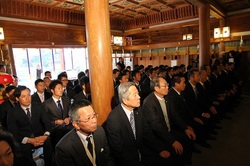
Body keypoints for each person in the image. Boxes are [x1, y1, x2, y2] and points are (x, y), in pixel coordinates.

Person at [105, 82, 178, 166]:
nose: (139, 97)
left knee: (170, 158)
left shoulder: (138, 110)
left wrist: (160, 149)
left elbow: (147, 132)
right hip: (127, 159)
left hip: (142, 151)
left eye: (138, 94)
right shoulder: (113, 119)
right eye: (135, 95)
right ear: (125, 100)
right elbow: (119, 150)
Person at [142, 76, 193, 165]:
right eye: (164, 86)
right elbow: (156, 127)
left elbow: (174, 114)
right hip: (158, 136)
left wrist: (185, 128)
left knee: (187, 139)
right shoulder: (149, 103)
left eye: (167, 85)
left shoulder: (167, 97)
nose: (167, 87)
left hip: (169, 130)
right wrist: (172, 141)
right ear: (156, 88)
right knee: (173, 153)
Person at [55, 99, 114, 166]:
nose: (94, 121)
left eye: (94, 116)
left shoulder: (99, 131)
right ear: (76, 125)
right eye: (88, 119)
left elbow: (108, 158)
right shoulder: (64, 147)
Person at [7, 86, 53, 166]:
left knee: (49, 142)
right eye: (23, 96)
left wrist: (45, 135)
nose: (27, 98)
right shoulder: (12, 112)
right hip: (25, 139)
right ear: (17, 99)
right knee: (24, 149)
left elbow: (47, 123)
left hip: (41, 136)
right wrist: (29, 140)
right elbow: (13, 132)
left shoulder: (38, 106)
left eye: (29, 95)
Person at [43, 80, 72, 149]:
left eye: (61, 88)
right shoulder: (46, 104)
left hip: (68, 126)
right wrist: (55, 122)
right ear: (52, 90)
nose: (61, 90)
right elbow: (45, 121)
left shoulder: (67, 100)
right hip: (55, 128)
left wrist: (69, 118)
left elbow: (71, 112)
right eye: (58, 88)